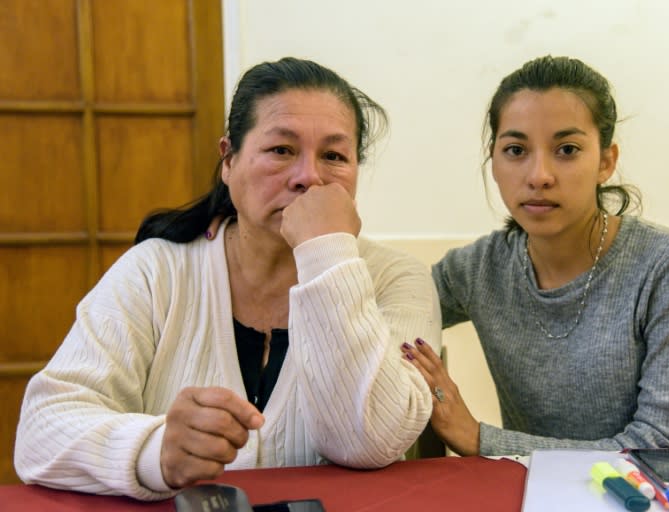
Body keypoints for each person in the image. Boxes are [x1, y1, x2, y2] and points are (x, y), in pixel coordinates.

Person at [14, 57, 441, 500]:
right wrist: (153, 450)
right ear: (229, 160)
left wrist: (326, 253)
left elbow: (367, 441)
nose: (309, 177)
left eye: (333, 156)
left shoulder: (396, 279)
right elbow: (42, 430)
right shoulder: (158, 270)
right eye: (281, 150)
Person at [401, 55, 669, 456]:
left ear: (606, 161)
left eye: (567, 149)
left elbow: (664, 447)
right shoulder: (476, 270)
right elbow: (388, 317)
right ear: (494, 161)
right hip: (542, 494)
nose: (539, 175)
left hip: (664, 497)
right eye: (516, 149)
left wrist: (481, 439)